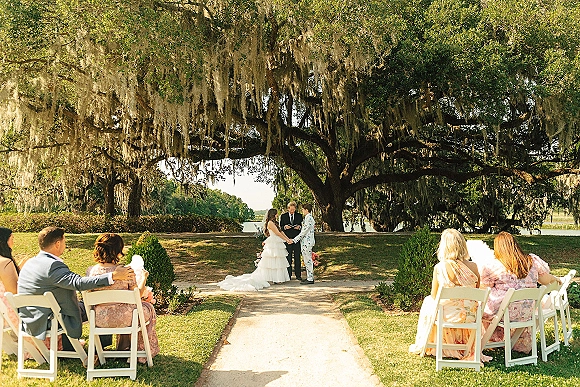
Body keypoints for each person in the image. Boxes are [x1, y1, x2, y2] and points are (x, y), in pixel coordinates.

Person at [17, 226, 134, 347]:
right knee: (94, 305)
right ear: (57, 244)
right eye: (64, 241)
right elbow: (77, 283)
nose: (65, 244)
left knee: (86, 304)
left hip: (30, 319)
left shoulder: (30, 263)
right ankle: (100, 345)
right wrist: (113, 276)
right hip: (50, 319)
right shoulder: (52, 266)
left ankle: (92, 345)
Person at [479, 231, 560, 353]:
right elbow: (545, 279)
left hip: (503, 312)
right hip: (526, 312)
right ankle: (504, 341)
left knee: (480, 309)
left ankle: (490, 341)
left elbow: (484, 288)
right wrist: (555, 278)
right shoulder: (531, 261)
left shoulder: (494, 266)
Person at [409, 229, 484, 360]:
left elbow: (434, 295)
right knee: (464, 303)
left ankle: (429, 342)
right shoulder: (474, 266)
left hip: (449, 316)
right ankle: (463, 344)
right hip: (470, 316)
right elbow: (476, 290)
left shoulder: (440, 267)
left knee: (428, 301)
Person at [86, 233, 159, 362]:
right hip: (127, 320)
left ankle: (123, 348)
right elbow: (138, 295)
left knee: (131, 309)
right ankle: (140, 352)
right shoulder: (126, 272)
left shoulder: (91, 272)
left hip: (99, 320)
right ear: (117, 251)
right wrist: (144, 279)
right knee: (146, 308)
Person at [219, 209, 292, 291]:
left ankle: (277, 278)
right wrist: (286, 240)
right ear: (273, 214)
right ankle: (272, 278)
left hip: (277, 241)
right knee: (271, 260)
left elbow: (281, 232)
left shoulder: (275, 223)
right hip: (273, 242)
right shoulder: (270, 223)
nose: (277, 215)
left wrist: (288, 239)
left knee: (278, 260)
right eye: (276, 213)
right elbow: (277, 233)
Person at [0, 227, 20, 329]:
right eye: (12, 238)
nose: (13, 241)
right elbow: (15, 291)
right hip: (9, 314)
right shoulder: (5, 263)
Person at [292, 203, 316, 285]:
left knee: (308, 260)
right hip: (305, 242)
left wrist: (294, 240)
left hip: (307, 242)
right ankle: (309, 276)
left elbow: (304, 232)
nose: (302, 211)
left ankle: (310, 278)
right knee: (306, 260)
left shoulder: (309, 218)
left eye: (303, 209)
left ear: (306, 210)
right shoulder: (306, 218)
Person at [279, 201, 303, 280]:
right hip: (287, 239)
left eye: (294, 210)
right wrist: (285, 227)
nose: (292, 211)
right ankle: (288, 275)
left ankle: (298, 275)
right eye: (291, 210)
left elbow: (303, 227)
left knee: (297, 257)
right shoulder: (283, 216)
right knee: (288, 257)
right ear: (288, 209)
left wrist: (299, 227)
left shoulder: (299, 216)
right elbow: (280, 228)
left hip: (296, 239)